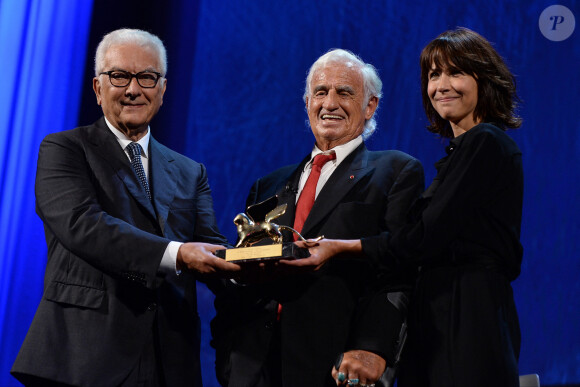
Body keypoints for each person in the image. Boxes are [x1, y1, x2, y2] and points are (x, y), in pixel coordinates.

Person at [11, 28, 240, 387]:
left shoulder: (189, 171)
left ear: (162, 90)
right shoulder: (64, 149)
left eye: (147, 77)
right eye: (119, 76)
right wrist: (177, 254)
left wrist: (262, 266)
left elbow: (211, 248)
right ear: (98, 88)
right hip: (84, 357)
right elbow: (83, 225)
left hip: (169, 359)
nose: (134, 89)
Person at [297, 28, 524, 386]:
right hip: (442, 311)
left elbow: (421, 238)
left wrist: (340, 247)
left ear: (485, 79)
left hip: (466, 314)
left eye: (456, 72)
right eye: (434, 75)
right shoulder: (462, 152)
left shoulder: (486, 143)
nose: (442, 85)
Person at [211, 49, 425, 387]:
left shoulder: (395, 171)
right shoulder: (267, 186)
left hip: (334, 366)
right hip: (252, 367)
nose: (330, 103)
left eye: (344, 92)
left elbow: (400, 268)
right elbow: (241, 272)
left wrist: (372, 348)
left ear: (370, 106)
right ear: (307, 102)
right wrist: (228, 353)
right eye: (320, 92)